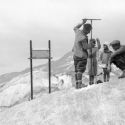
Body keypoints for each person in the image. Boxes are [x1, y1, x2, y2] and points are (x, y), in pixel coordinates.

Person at [72, 19, 94, 89]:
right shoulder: (83, 37)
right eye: (89, 31)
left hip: (75, 54)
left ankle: (77, 84)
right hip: (82, 55)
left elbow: (75, 27)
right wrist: (91, 45)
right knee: (80, 70)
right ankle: (80, 84)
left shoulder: (78, 32)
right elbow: (85, 47)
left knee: (76, 70)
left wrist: (82, 22)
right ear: (87, 30)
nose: (89, 32)